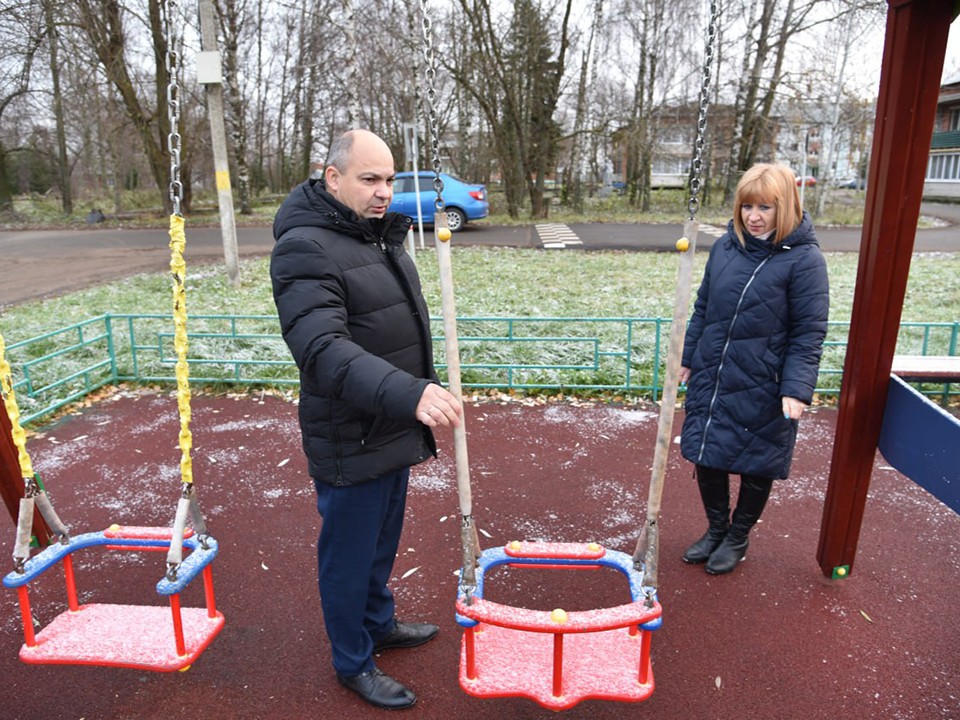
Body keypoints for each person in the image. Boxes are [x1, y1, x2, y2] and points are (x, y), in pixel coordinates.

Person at [270, 129, 462, 710]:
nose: (384, 193)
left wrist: (412, 391)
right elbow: (322, 348)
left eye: (389, 180)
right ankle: (352, 661)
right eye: (369, 179)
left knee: (381, 542)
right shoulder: (305, 246)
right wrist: (410, 392)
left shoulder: (376, 235)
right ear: (332, 178)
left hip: (392, 420)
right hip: (352, 430)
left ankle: (378, 623)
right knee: (349, 557)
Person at [678, 163, 829, 576]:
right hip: (715, 370)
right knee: (707, 453)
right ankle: (716, 529)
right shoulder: (727, 247)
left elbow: (809, 331)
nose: (754, 216)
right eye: (747, 206)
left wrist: (796, 389)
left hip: (766, 379)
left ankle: (738, 537)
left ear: (787, 207)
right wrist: (689, 357)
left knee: (755, 460)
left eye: (765, 206)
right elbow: (704, 307)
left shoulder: (805, 261)